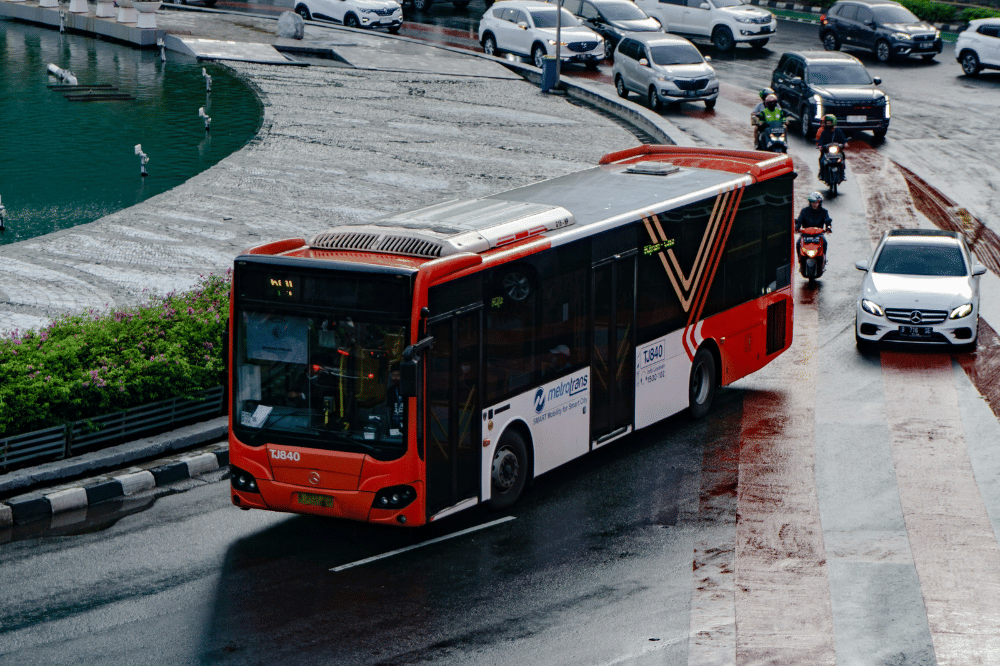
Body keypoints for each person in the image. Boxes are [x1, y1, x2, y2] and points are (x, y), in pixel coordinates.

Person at [795, 191, 832, 257]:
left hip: (818, 235)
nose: (815, 204)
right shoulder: (804, 211)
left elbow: (827, 220)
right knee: (798, 244)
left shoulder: (824, 212)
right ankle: (800, 261)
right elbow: (799, 220)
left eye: (817, 202)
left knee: (825, 243)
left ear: (819, 203)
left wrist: (828, 228)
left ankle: (824, 258)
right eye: (813, 202)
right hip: (805, 234)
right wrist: (797, 227)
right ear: (810, 202)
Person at [385, 362, 404, 433]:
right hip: (394, 425)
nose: (395, 378)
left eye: (398, 375)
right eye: (393, 375)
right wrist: (390, 425)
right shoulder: (391, 390)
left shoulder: (408, 390)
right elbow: (389, 409)